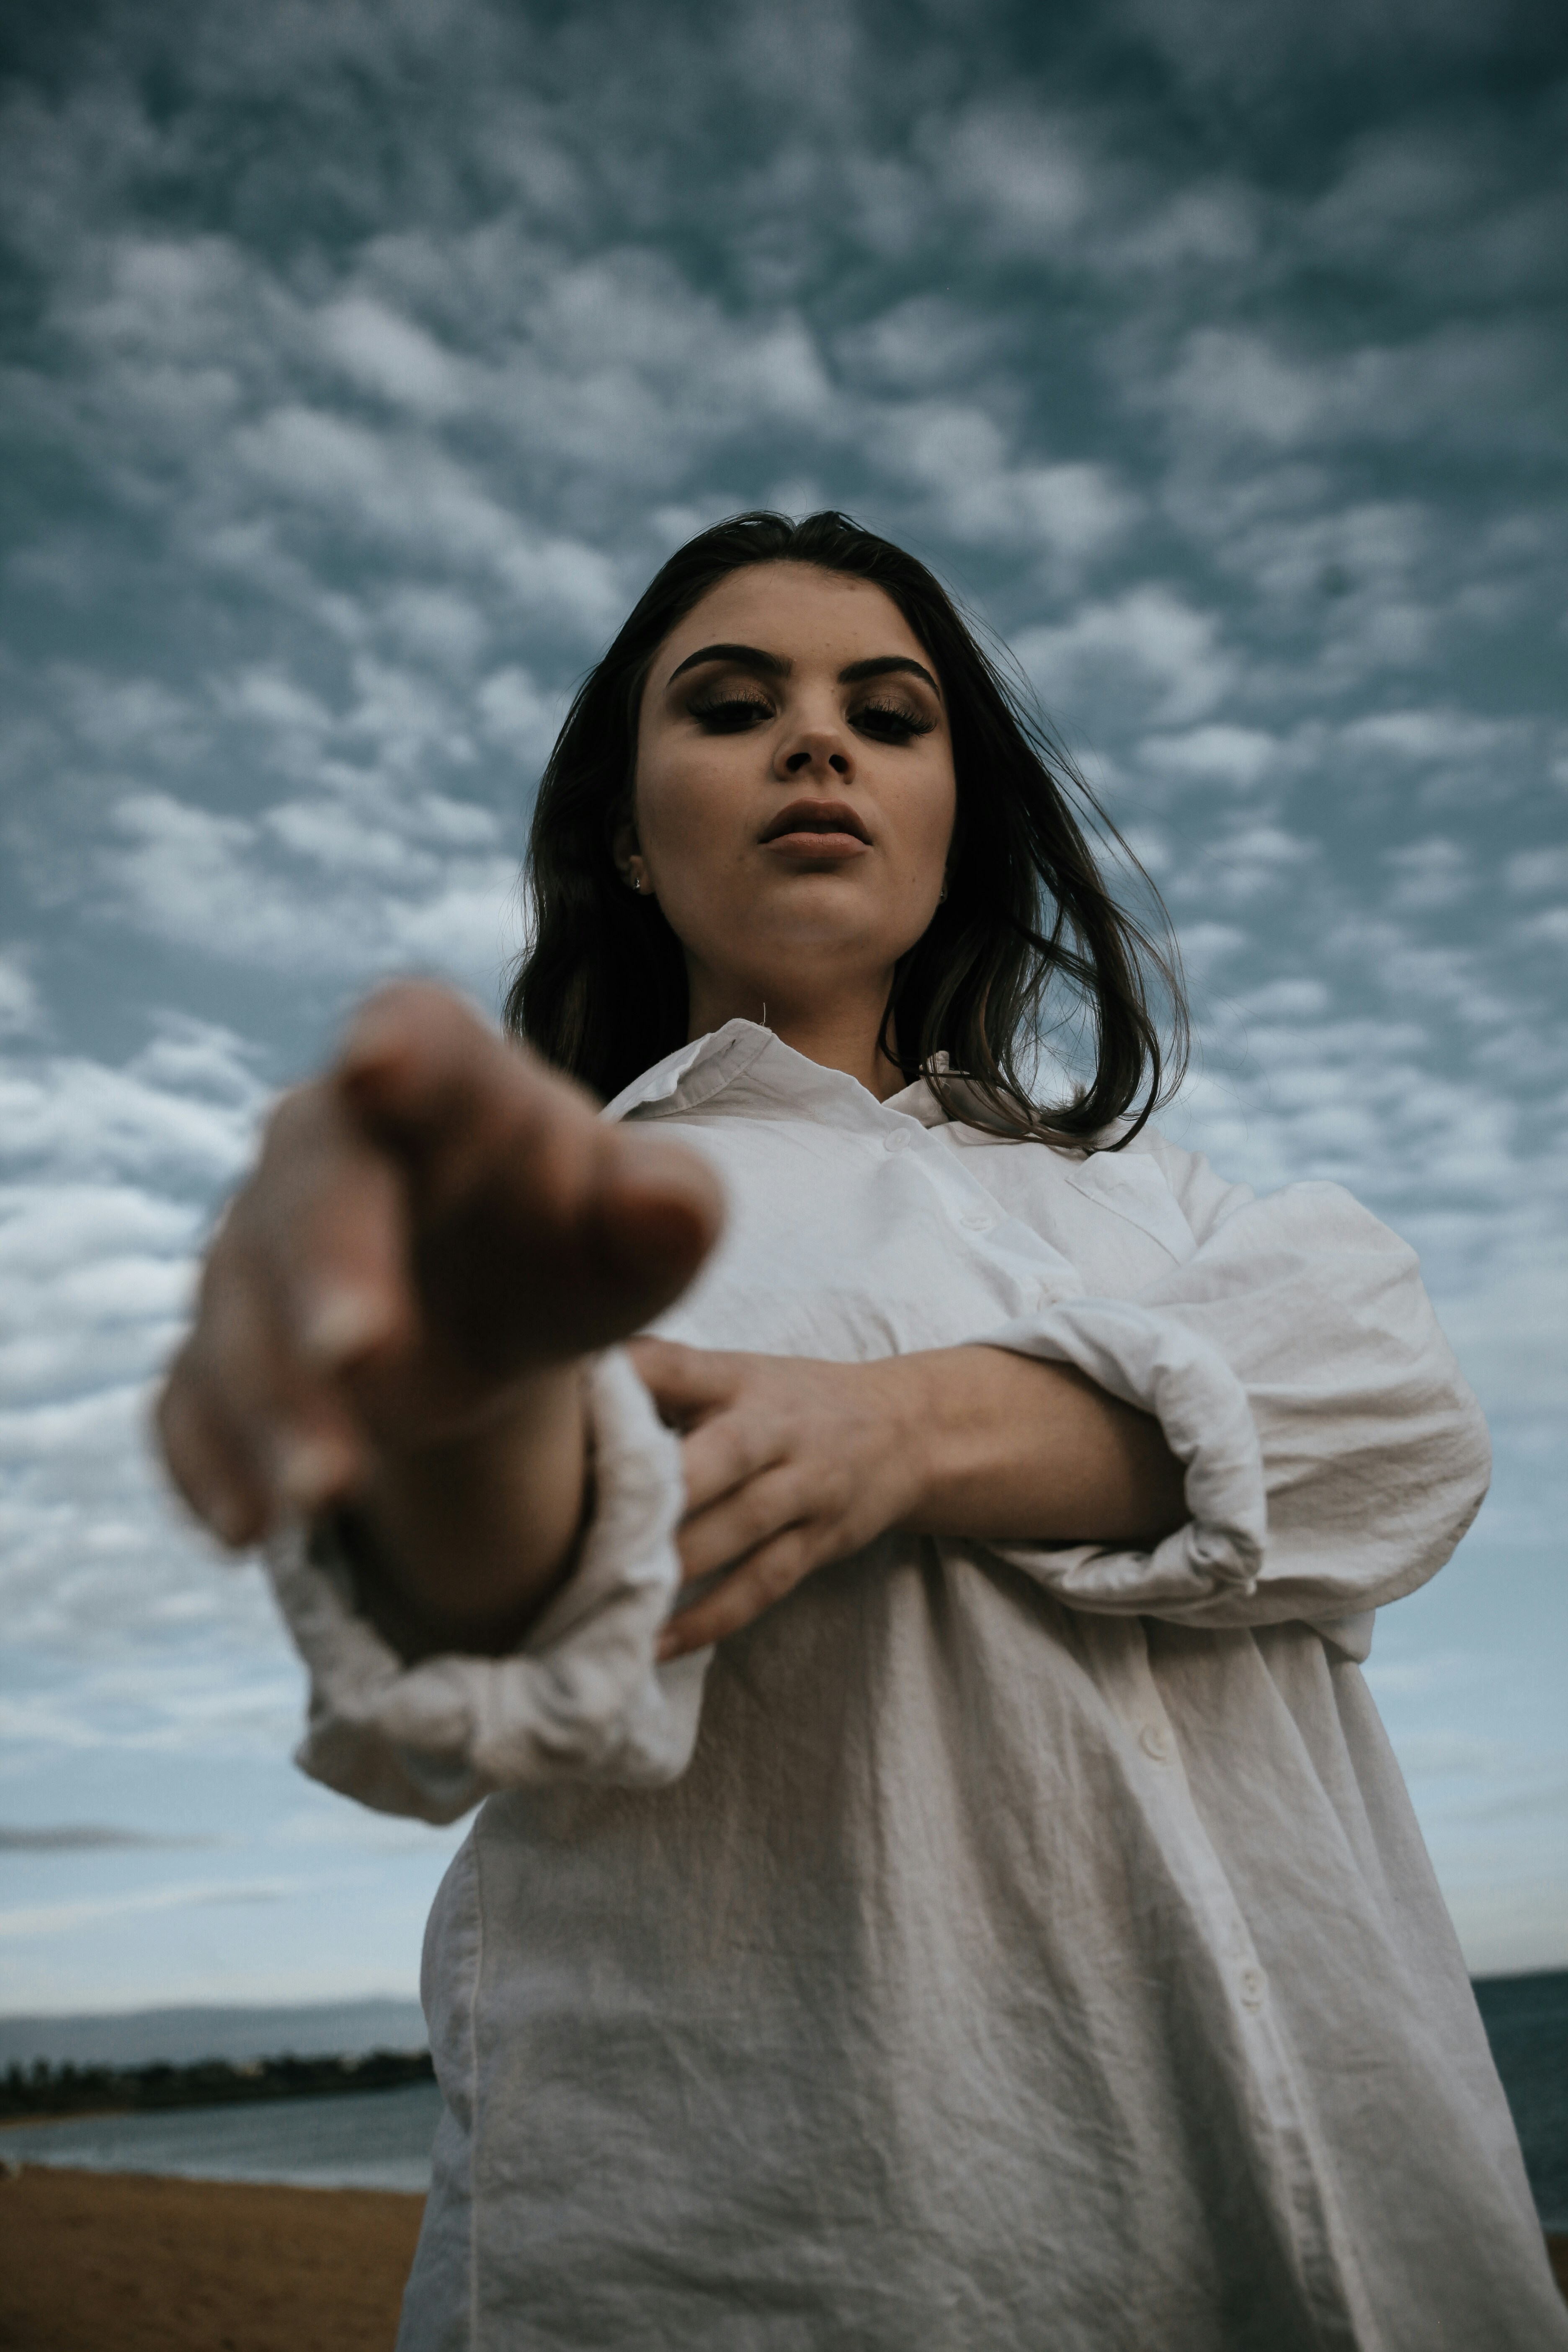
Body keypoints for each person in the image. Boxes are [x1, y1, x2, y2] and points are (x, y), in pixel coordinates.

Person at [156, 512, 1567, 2350]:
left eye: (889, 717)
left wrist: (894, 1433)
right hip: (822, 2259)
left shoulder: (1167, 1204)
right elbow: (493, 1623)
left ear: (955, 821)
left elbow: (1397, 1423)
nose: (817, 741)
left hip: (1401, 2249)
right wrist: (456, 1395)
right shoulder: (579, 1223)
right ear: (624, 834)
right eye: (733, 705)